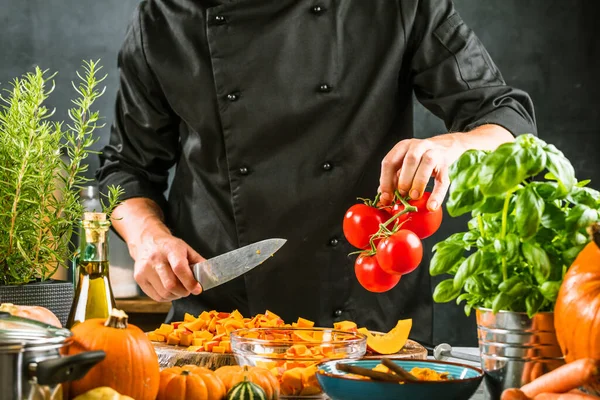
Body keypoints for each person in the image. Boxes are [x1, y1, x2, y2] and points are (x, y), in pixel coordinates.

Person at [96, 0, 536, 344]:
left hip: (363, 317)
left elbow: (505, 116)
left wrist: (451, 146)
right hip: (219, 321)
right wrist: (147, 238)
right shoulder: (164, 17)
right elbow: (126, 167)